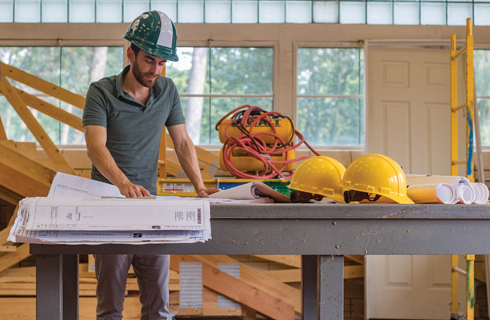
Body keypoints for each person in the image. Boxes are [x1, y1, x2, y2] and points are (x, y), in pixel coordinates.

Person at [82, 10, 219, 320]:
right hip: (109, 210)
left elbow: (182, 143)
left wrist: (199, 186)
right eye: (149, 60)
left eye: (162, 62)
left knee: (158, 309)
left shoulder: (168, 91)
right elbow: (95, 147)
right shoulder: (101, 92)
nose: (156, 69)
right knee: (110, 309)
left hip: (150, 210)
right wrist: (123, 184)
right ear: (131, 52)